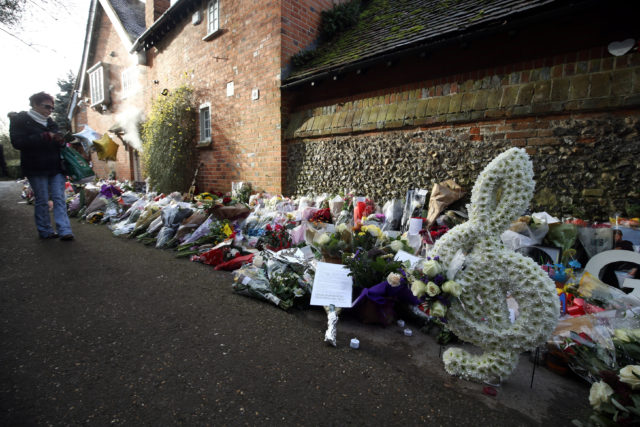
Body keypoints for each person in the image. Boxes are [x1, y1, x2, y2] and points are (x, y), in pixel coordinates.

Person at [8, 92, 74, 241]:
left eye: (52, 108)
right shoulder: (20, 121)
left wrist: (60, 140)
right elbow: (17, 143)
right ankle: (45, 231)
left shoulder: (51, 122)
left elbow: (59, 144)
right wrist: (43, 137)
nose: (50, 110)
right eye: (47, 106)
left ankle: (65, 231)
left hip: (56, 166)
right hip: (35, 167)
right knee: (42, 200)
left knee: (59, 198)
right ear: (35, 105)